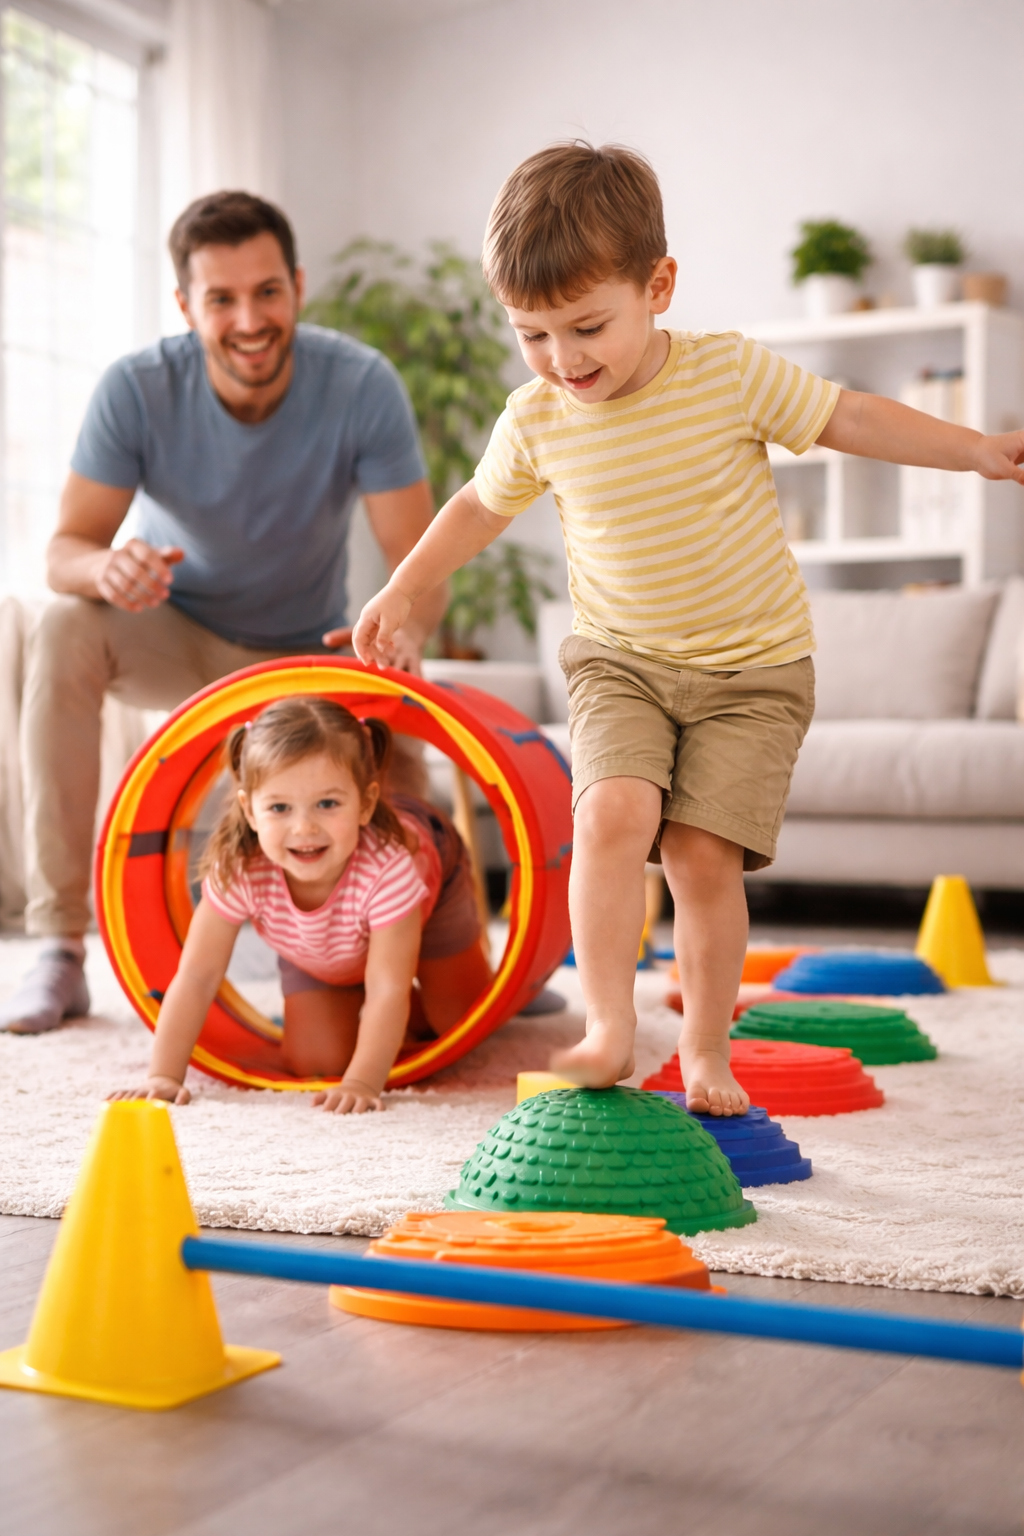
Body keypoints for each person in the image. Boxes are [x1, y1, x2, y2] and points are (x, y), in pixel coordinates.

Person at [352, 141, 1024, 1116]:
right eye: (531, 335)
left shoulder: (726, 375)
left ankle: (706, 1053)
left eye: (586, 327)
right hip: (619, 662)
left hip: (755, 673)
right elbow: (473, 511)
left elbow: (852, 420)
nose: (562, 360)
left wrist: (975, 453)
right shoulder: (536, 418)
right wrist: (405, 590)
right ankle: (608, 1027)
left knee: (703, 859)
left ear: (657, 286)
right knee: (609, 817)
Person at [2, 190, 445, 1036]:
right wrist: (108, 566)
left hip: (300, 653)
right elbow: (64, 551)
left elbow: (419, 562)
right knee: (63, 626)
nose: (250, 318)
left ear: (298, 287)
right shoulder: (135, 389)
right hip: (177, 632)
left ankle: (441, 945)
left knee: (399, 710)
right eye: (222, 299)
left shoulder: (361, 384)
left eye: (267, 292)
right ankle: (60, 947)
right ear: (185, 306)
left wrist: (406, 627)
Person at [110, 697, 491, 1112]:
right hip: (325, 950)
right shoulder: (241, 867)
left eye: (327, 804)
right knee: (316, 1063)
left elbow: (387, 988)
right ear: (250, 811)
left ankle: (449, 987)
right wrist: (164, 1075)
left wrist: (363, 1083)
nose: (304, 828)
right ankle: (394, 1004)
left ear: (364, 804)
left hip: (430, 880)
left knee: (461, 1025)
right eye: (279, 808)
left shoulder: (390, 869)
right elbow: (198, 975)